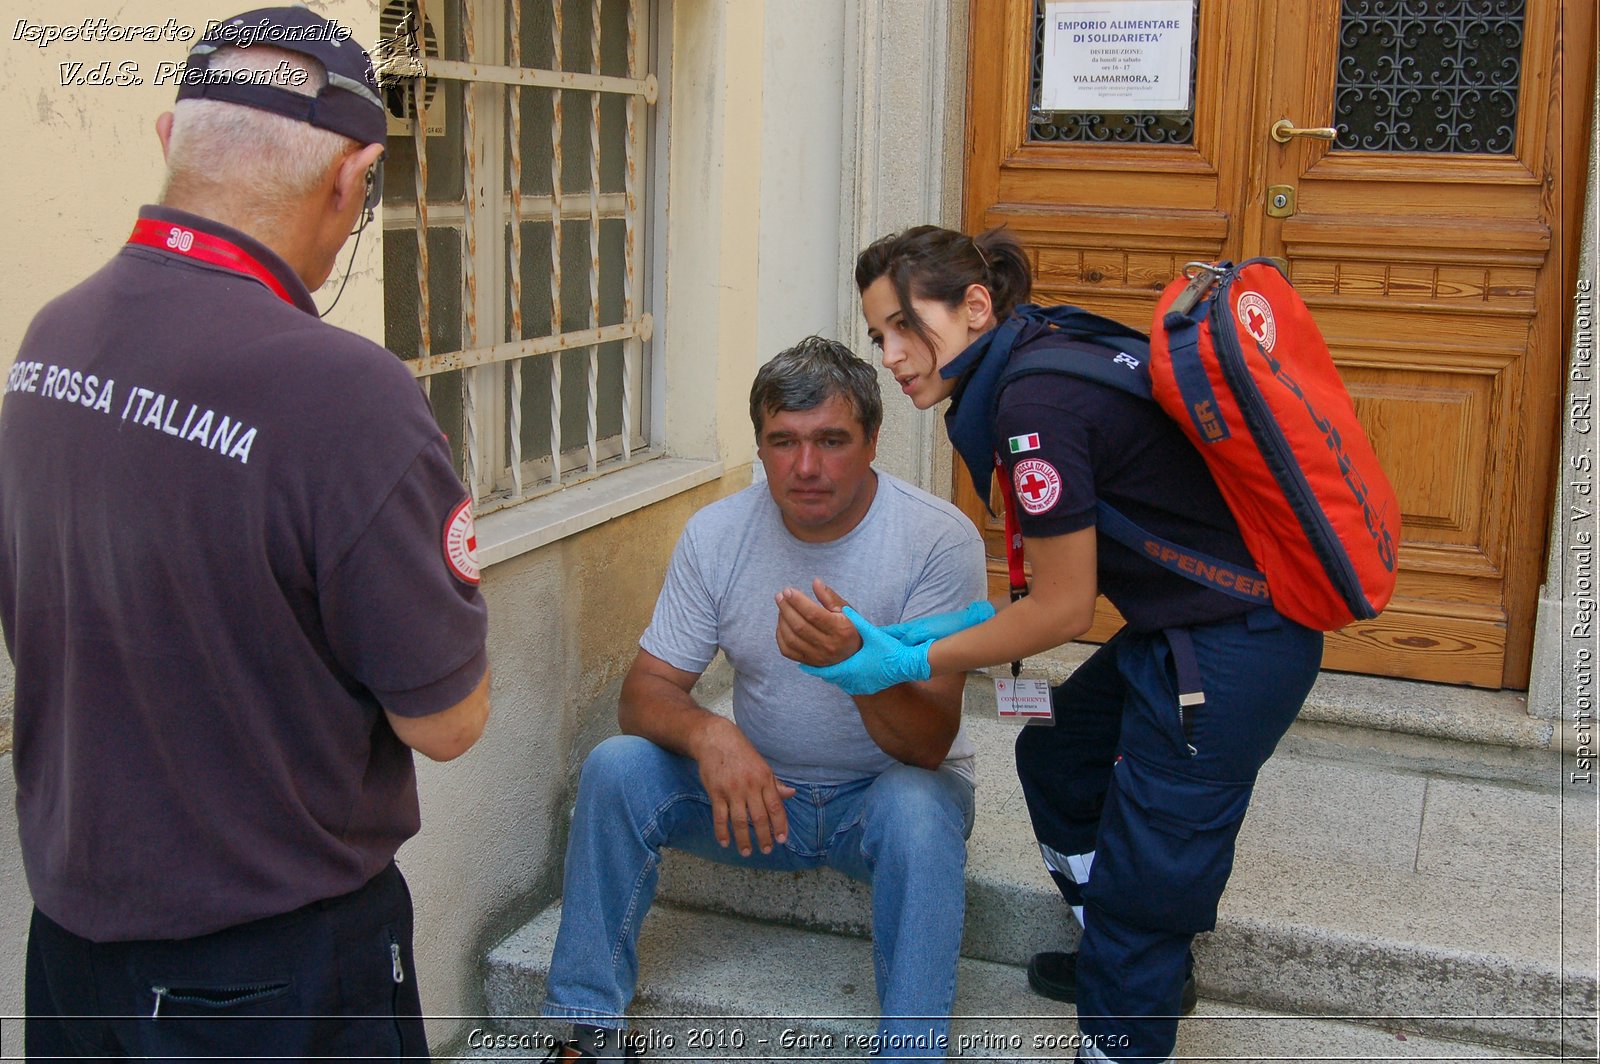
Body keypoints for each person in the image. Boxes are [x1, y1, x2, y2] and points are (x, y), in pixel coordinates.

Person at [0, 8, 490, 1060]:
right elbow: (446, 722)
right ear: (349, 179)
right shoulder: (348, 392)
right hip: (269, 974)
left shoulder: (50, 340)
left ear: (171, 135)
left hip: (72, 955)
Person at [803, 226, 1324, 1064]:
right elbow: (1057, 590)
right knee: (1060, 752)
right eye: (878, 336)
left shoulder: (1031, 405)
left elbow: (1063, 610)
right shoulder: (1040, 346)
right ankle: (1111, 939)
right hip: (1187, 631)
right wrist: (937, 628)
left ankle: (1124, 1002)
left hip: (1233, 650)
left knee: (1142, 899)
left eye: (906, 326)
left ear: (976, 307)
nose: (893, 356)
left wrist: (906, 660)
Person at [539, 336, 986, 1062]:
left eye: (831, 440)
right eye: (783, 442)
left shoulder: (938, 540)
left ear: (873, 441)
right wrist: (714, 738)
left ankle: (910, 1053)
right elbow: (646, 693)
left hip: (877, 803)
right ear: (760, 445)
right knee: (616, 766)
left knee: (920, 804)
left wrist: (854, 667)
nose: (805, 467)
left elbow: (928, 745)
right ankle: (585, 1033)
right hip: (758, 804)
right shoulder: (717, 534)